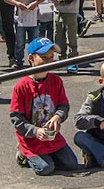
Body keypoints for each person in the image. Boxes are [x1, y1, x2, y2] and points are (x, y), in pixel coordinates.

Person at [9, 37, 78, 175]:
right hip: (31, 138)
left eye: (51, 57)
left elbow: (63, 105)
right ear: (31, 58)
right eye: (43, 57)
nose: (48, 61)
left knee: (71, 164)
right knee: (45, 169)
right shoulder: (21, 86)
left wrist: (58, 116)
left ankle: (49, 156)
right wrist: (35, 131)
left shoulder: (56, 81)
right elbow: (16, 118)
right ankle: (24, 154)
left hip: (52, 137)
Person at [5, 0, 48, 69]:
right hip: (20, 18)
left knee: (33, 41)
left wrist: (36, 3)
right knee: (20, 42)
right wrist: (17, 4)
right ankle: (19, 62)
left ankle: (33, 61)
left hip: (33, 17)